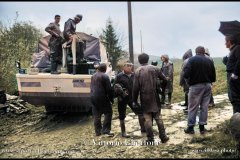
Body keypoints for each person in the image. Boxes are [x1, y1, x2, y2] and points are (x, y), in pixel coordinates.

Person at [132, 53, 169, 144]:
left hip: (144, 98)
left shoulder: (138, 71)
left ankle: (150, 139)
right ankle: (163, 137)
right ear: (148, 59)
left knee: (147, 119)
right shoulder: (155, 68)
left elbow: (135, 88)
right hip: (155, 96)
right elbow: (165, 79)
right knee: (158, 117)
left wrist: (134, 100)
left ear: (140, 60)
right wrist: (159, 85)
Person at [183, 46, 216, 134]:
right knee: (204, 107)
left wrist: (189, 83)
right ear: (204, 52)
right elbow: (213, 75)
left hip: (196, 86)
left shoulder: (192, 60)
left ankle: (190, 128)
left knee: (193, 107)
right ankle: (202, 128)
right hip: (208, 85)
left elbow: (186, 74)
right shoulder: (209, 60)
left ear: (196, 52)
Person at [113, 61, 145, 138]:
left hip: (132, 98)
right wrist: (121, 92)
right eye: (128, 66)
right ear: (124, 67)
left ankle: (143, 129)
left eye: (131, 66)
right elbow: (114, 86)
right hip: (122, 99)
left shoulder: (135, 75)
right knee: (122, 116)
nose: (130, 67)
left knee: (140, 112)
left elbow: (139, 85)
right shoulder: (119, 76)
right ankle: (123, 132)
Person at [90, 63, 114, 136]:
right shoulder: (105, 76)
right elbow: (109, 89)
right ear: (105, 69)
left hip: (93, 97)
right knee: (108, 112)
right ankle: (106, 130)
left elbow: (91, 88)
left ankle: (98, 131)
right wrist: (111, 99)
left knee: (96, 114)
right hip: (102, 96)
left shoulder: (93, 76)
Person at [224, 35, 240, 114]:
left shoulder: (237, 48)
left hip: (234, 75)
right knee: (232, 97)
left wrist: (235, 74)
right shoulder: (233, 50)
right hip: (231, 74)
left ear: (229, 41)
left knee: (235, 98)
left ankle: (237, 117)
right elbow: (229, 62)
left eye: (225, 41)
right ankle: (236, 115)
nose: (224, 43)